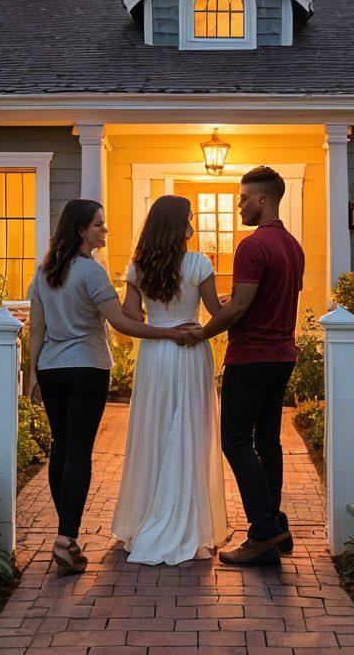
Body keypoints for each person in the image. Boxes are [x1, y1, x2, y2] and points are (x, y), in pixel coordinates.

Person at [27, 198, 197, 577]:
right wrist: (168, 333)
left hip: (52, 369)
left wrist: (34, 374)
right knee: (79, 453)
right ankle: (66, 536)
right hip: (87, 367)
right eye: (99, 225)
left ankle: (64, 534)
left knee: (61, 447)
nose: (105, 230)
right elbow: (122, 323)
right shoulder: (92, 272)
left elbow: (36, 330)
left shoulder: (43, 273)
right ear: (80, 230)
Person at [195, 166, 305, 567]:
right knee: (268, 442)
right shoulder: (293, 246)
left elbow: (241, 307)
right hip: (282, 356)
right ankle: (275, 525)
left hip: (251, 356)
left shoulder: (252, 245)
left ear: (262, 200)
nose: (239, 205)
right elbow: (272, 297)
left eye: (243, 198)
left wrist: (201, 333)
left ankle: (262, 531)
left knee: (236, 442)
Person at [111, 195, 229, 564]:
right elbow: (215, 313)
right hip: (190, 349)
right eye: (190, 218)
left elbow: (131, 317)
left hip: (155, 354)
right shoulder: (198, 263)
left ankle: (148, 516)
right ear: (179, 225)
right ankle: (184, 520)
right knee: (190, 430)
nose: (193, 224)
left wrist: (160, 324)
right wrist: (235, 301)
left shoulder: (139, 267)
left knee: (155, 430)